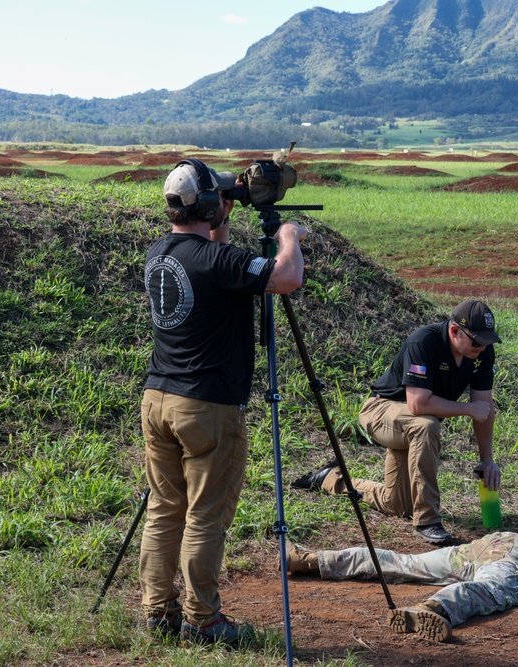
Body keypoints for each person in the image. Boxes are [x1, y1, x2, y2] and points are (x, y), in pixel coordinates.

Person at [139, 159, 307, 646]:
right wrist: (289, 235)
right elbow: (286, 277)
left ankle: (158, 611)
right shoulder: (218, 262)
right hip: (207, 407)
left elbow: (212, 259)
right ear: (210, 204)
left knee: (165, 509)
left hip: (158, 399)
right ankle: (203, 619)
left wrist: (222, 214)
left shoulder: (161, 253)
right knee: (205, 516)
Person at [286, 459, 518, 642]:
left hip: (498, 542)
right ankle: (434, 609)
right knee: (485, 591)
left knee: (408, 563)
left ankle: (316, 559)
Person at [294, 299, 502, 545]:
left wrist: (487, 460)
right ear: (455, 331)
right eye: (477, 340)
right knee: (426, 425)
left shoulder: (481, 353)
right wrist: (468, 409)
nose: (482, 346)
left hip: (411, 423)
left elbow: (484, 408)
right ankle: (427, 520)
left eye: (487, 340)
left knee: (397, 504)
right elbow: (418, 403)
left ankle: (330, 478)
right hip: (381, 411)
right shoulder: (424, 341)